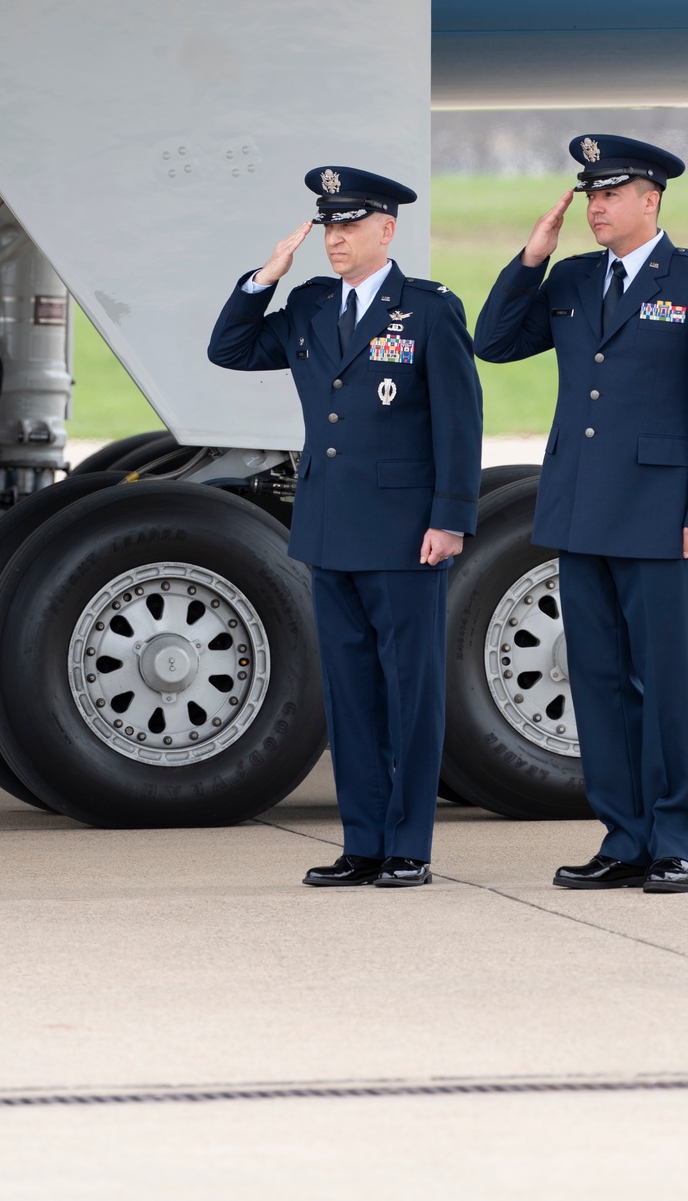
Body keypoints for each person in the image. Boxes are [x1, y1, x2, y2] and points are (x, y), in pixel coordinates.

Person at [473, 135, 688, 894]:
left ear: (650, 199)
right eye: (589, 195)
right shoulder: (570, 280)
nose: (596, 207)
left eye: (610, 194)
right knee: (596, 682)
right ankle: (624, 836)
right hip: (582, 509)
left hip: (662, 514)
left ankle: (676, 841)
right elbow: (493, 342)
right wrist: (530, 258)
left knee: (665, 681)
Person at [208, 166, 483, 888]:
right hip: (330, 529)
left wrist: (451, 517)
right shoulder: (307, 306)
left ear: (386, 230)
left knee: (410, 693)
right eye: (329, 226)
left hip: (404, 533)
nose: (335, 238)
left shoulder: (426, 309)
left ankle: (409, 846)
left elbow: (460, 420)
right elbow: (230, 349)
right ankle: (362, 842)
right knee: (351, 695)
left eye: (350, 225)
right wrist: (267, 274)